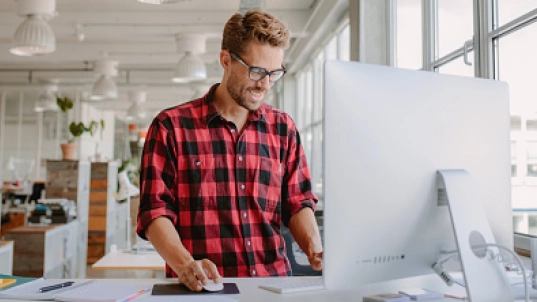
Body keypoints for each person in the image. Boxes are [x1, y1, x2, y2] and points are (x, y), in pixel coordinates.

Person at [137, 9, 323, 292]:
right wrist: (185, 264)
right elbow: (154, 212)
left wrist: (315, 250)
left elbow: (297, 202)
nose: (265, 83)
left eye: (275, 73)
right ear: (226, 60)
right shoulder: (170, 127)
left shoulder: (284, 128)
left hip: (273, 287)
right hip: (202, 290)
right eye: (257, 71)